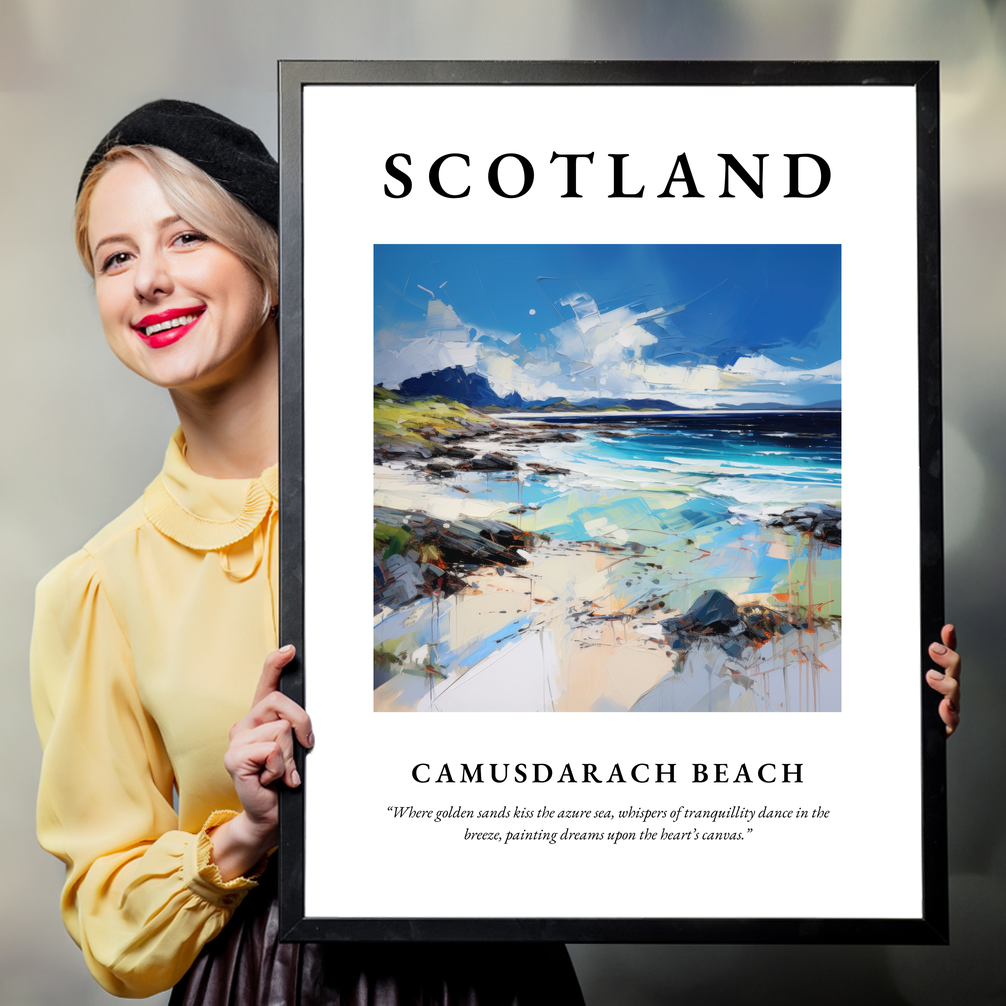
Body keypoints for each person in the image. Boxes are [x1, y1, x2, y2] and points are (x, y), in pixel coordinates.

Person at [30, 100, 585, 1004]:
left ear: (273, 264)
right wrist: (245, 832)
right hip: (264, 981)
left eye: (185, 239)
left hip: (494, 972)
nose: (148, 281)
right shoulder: (97, 586)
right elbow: (110, 924)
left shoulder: (445, 499)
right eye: (116, 257)